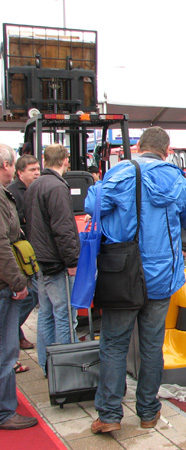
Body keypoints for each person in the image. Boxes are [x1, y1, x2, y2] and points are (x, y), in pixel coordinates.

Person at [86, 127, 186, 434]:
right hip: (162, 276)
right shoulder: (177, 179)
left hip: (123, 274)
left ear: (139, 146)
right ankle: (149, 412)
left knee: (114, 345)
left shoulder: (120, 173)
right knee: (152, 346)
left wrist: (97, 187)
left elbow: (92, 207)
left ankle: (109, 415)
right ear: (167, 151)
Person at [25, 144, 79, 376]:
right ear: (65, 160)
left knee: (46, 315)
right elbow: (63, 228)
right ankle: (66, 372)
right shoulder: (57, 187)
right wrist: (72, 261)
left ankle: (47, 365)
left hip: (41, 259)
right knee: (65, 316)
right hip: (57, 262)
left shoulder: (35, 185)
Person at [0, 143, 38, 430]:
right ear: (7, 165)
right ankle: (4, 411)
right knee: (5, 351)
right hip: (4, 284)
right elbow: (2, 245)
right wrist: (17, 282)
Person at [7, 154, 40, 352]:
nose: (37, 173)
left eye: (38, 169)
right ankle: (11, 331)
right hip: (19, 254)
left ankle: (15, 334)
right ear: (20, 173)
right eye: (32, 170)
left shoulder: (35, 188)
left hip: (31, 252)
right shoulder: (12, 192)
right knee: (31, 292)